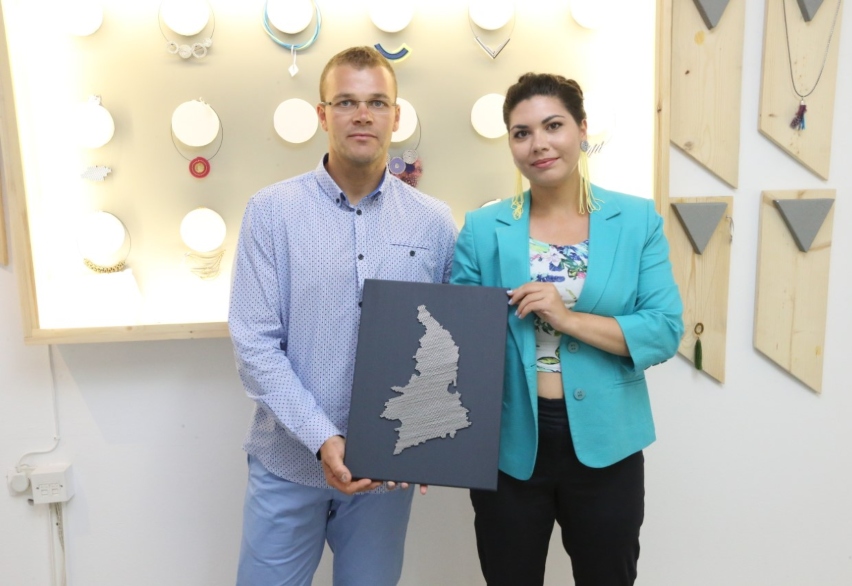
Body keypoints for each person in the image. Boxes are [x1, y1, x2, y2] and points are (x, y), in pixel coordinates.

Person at [229, 46, 458, 586]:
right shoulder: (271, 212)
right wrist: (322, 438)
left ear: (396, 117)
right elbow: (255, 344)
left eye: (377, 102)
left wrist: (431, 435)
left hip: (385, 471)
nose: (362, 115)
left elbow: (450, 341)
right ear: (322, 114)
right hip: (288, 462)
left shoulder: (434, 223)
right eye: (346, 102)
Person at [450, 73, 683, 585]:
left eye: (553, 125)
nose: (539, 143)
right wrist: (421, 440)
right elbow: (457, 343)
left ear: (581, 128)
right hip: (508, 445)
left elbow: (663, 329)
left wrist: (567, 318)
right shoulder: (482, 229)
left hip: (608, 443)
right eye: (522, 132)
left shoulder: (637, 220)